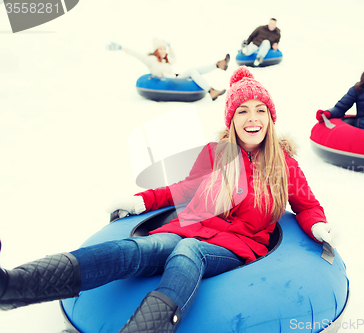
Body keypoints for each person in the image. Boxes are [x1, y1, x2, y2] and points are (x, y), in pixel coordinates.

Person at [0, 66, 335, 333]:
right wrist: (141, 202)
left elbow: (306, 205)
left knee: (188, 251)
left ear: (270, 118)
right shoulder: (215, 154)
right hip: (190, 228)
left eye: (260, 110)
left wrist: (317, 225)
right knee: (142, 248)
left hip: (237, 246)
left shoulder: (284, 165)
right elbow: (182, 191)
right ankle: (15, 286)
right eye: (243, 111)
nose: (253, 119)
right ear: (232, 120)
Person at [107, 38, 229, 101]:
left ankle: (218, 65)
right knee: (192, 70)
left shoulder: (166, 60)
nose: (163, 51)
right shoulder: (151, 60)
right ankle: (211, 90)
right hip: (168, 81)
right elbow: (137, 55)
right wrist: (121, 48)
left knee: (195, 70)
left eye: (163, 49)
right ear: (156, 51)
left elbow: (174, 57)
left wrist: (170, 47)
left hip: (175, 78)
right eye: (160, 49)